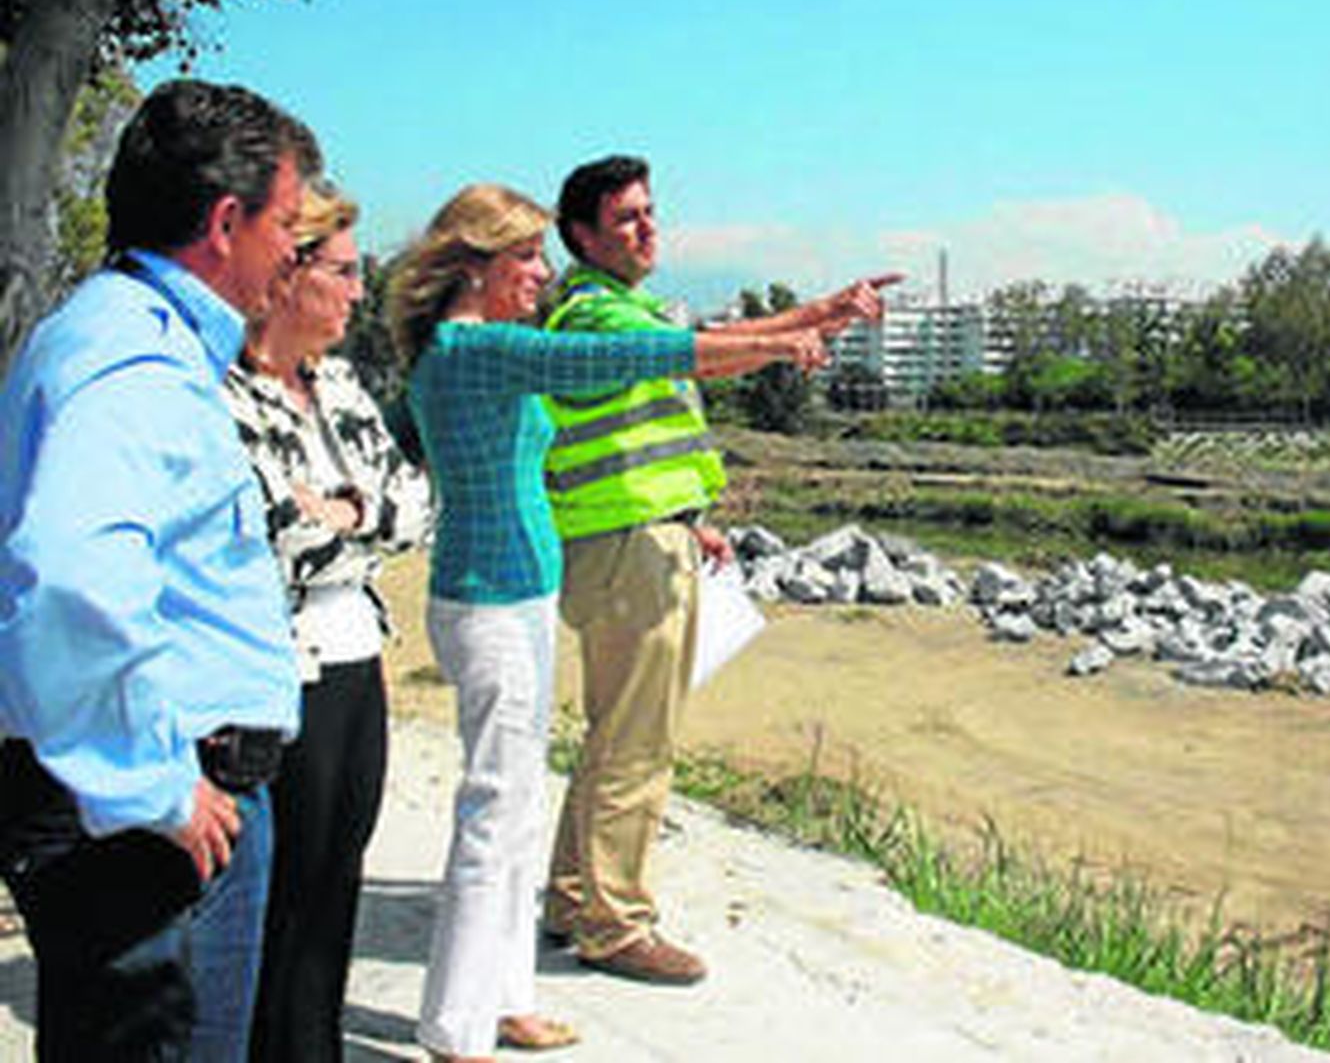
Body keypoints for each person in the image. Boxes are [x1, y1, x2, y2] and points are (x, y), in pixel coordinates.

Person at [388, 183, 824, 1062]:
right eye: (527, 259)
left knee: (517, 810)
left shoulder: (475, 350)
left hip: (515, 595)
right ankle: (457, 1027)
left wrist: (802, 322)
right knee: (493, 814)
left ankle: (506, 998)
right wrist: (789, 335)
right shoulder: (478, 351)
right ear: (477, 265)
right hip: (489, 602)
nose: (541, 278)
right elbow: (637, 360)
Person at [0, 79, 319, 1061]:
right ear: (227, 222)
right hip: (150, 824)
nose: (294, 258)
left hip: (151, 803)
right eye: (289, 229)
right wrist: (149, 784)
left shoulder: (125, 335)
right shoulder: (135, 360)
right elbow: (67, 575)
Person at [541, 154, 898, 984]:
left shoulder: (620, 307)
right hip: (627, 548)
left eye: (651, 212)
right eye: (626, 217)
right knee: (637, 745)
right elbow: (699, 355)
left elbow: (708, 347)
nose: (647, 227)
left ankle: (573, 897)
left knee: (612, 737)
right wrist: (796, 336)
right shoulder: (596, 318)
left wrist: (825, 314)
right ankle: (616, 924)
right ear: (583, 236)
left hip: (640, 540)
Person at [223, 179, 432, 1063]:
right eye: (342, 272)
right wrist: (352, 517)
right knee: (277, 896)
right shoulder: (226, 392)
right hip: (277, 663)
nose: (357, 292)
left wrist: (342, 512)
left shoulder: (340, 384)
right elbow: (271, 534)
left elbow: (416, 510)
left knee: (333, 884)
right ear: (288, 272)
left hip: (356, 658)